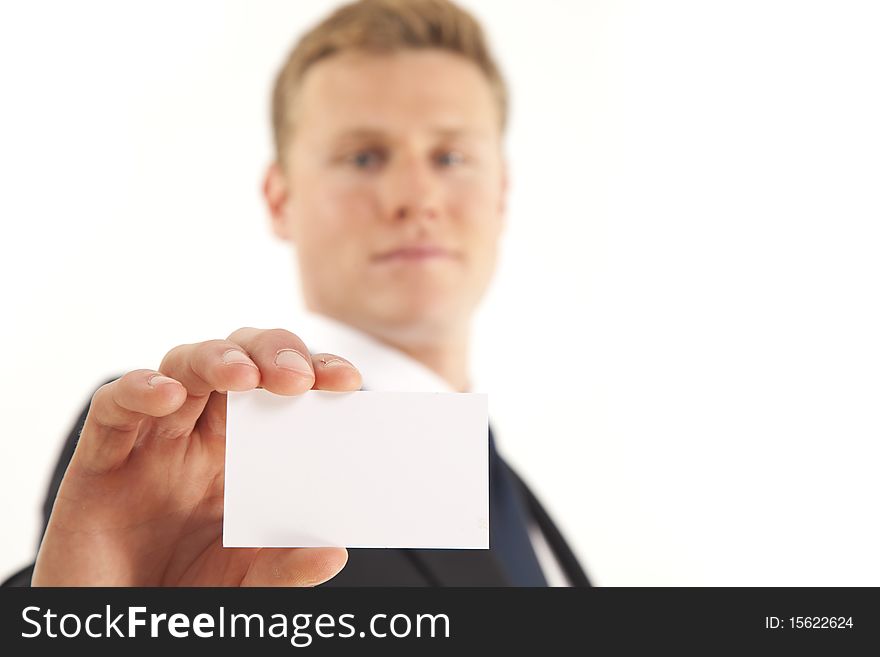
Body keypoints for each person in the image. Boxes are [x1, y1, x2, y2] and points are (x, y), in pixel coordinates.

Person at [3, 0, 589, 587]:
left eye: (451, 156)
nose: (417, 197)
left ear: (501, 194)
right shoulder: (188, 455)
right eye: (363, 156)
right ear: (280, 199)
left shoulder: (513, 492)